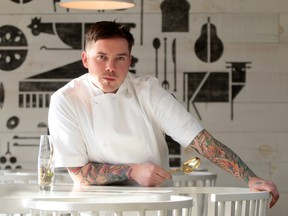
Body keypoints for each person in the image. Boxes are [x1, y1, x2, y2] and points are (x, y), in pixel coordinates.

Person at [48, 21, 279, 208]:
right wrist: (133, 171)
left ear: (129, 61)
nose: (111, 67)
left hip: (156, 204)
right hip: (96, 207)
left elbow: (200, 141)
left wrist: (250, 178)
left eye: (120, 58)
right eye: (102, 57)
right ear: (85, 59)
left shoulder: (148, 90)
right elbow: (80, 173)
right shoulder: (66, 100)